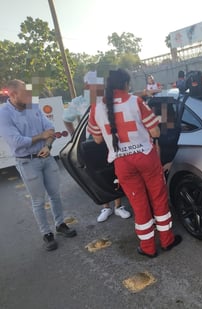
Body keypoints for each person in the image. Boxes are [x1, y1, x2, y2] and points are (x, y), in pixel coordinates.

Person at [87, 68, 182, 258]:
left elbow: (97, 140)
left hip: (122, 163)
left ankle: (147, 248)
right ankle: (167, 240)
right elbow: (155, 132)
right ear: (126, 84)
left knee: (138, 204)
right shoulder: (135, 101)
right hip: (146, 158)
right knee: (158, 198)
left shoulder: (96, 108)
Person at [0, 79, 77, 251]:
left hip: (46, 157)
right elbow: (16, 141)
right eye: (25, 93)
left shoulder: (32, 105)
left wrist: (48, 145)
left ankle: (60, 224)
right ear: (12, 95)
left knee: (55, 194)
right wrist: (41, 136)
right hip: (27, 161)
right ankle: (46, 233)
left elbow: (50, 129)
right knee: (38, 200)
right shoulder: (3, 113)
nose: (30, 95)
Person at [63, 72, 130, 223]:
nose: (99, 85)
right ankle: (105, 207)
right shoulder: (79, 102)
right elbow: (66, 119)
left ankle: (119, 206)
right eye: (94, 83)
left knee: (114, 172)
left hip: (110, 139)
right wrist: (74, 136)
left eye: (99, 82)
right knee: (98, 174)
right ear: (87, 85)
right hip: (92, 142)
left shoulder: (108, 97)